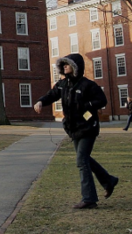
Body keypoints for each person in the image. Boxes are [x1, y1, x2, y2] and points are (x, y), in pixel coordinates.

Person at [34, 53, 119, 209]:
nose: (65, 67)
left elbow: (102, 100)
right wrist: (40, 102)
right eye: (63, 65)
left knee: (81, 160)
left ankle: (89, 199)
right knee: (85, 159)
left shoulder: (87, 85)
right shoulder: (62, 85)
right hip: (73, 129)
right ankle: (108, 180)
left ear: (75, 67)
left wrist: (86, 106)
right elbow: (51, 95)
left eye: (67, 64)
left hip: (88, 127)